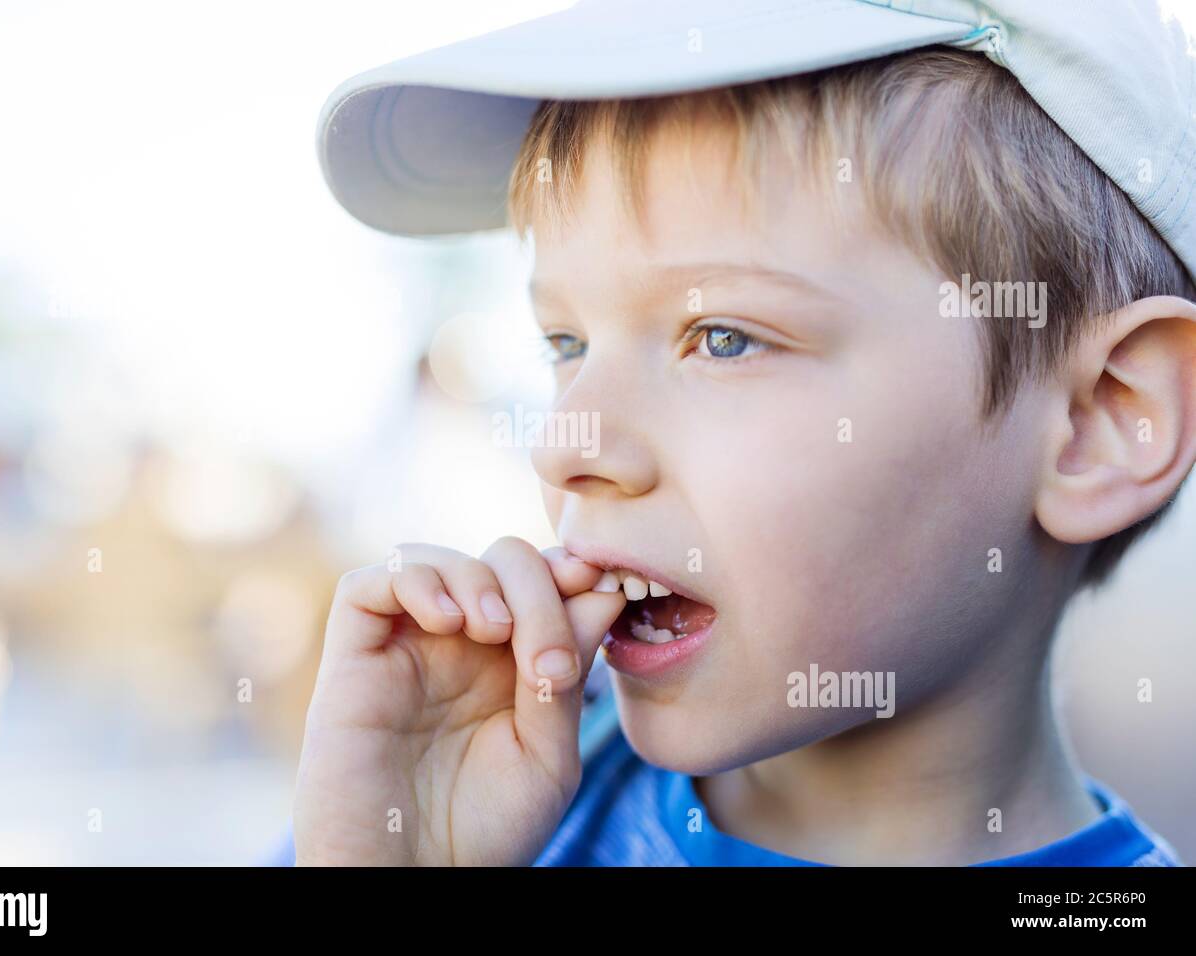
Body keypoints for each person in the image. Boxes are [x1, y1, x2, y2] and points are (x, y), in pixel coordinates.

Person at [285, 0, 1193, 866]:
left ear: (1102, 421)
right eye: (565, 342)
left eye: (723, 338)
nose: (564, 443)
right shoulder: (457, 792)